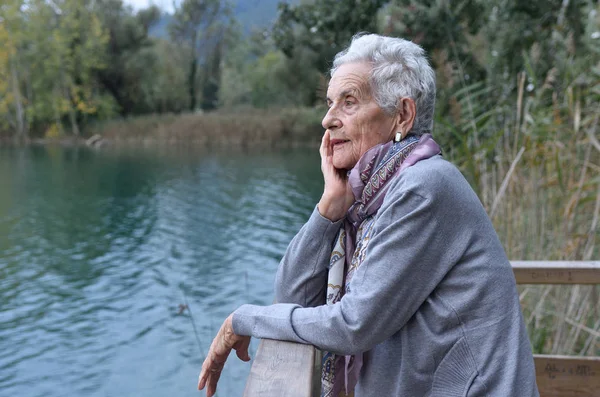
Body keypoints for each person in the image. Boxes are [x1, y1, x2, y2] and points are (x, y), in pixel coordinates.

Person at [198, 33, 539, 397]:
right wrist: (329, 209)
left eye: (348, 102)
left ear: (402, 115)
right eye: (329, 104)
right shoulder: (366, 201)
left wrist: (245, 319)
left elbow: (353, 325)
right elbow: (291, 297)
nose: (328, 119)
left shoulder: (425, 186)